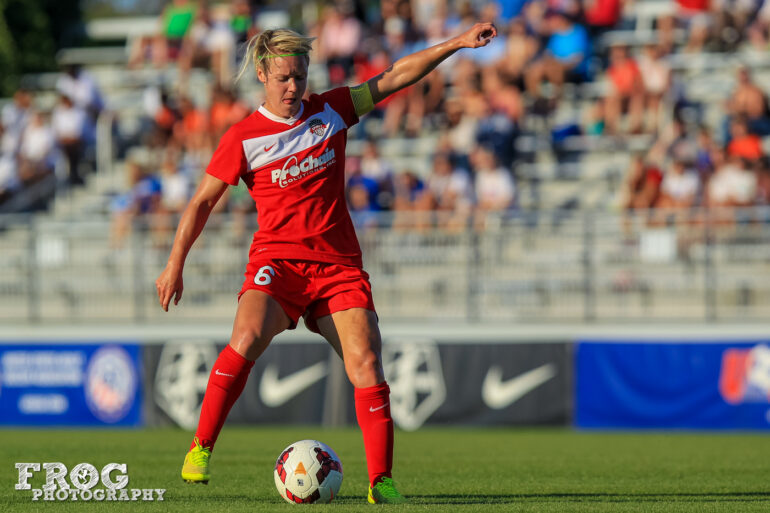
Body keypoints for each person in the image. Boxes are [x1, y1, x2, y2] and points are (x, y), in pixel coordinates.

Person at [155, 23, 498, 504]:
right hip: (278, 263)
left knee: (367, 363)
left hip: (338, 267)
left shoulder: (332, 110)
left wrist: (457, 43)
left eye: (299, 76)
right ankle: (200, 449)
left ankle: (381, 482)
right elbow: (200, 204)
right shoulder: (244, 137)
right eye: (282, 78)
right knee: (246, 337)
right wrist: (175, 264)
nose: (293, 86)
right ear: (261, 74)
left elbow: (397, 76)